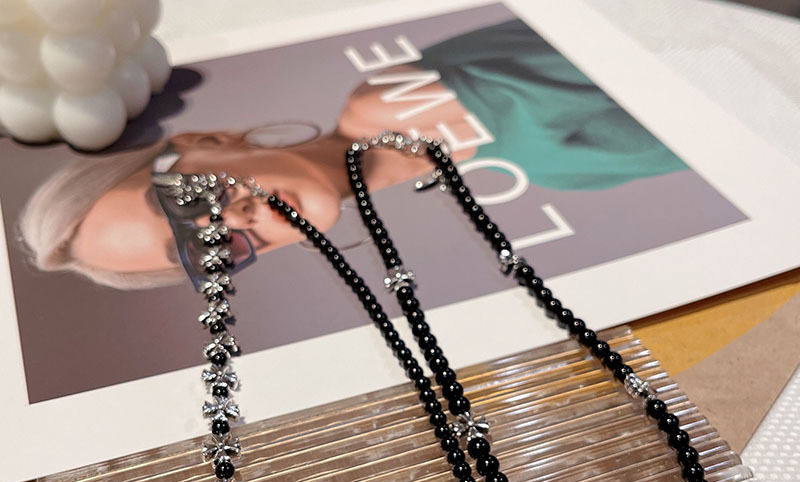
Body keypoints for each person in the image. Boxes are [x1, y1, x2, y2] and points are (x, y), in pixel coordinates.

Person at [18, 19, 685, 290]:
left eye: (186, 198)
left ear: (200, 143)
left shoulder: (399, 103)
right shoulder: (506, 178)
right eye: (204, 249)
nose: (231, 221)